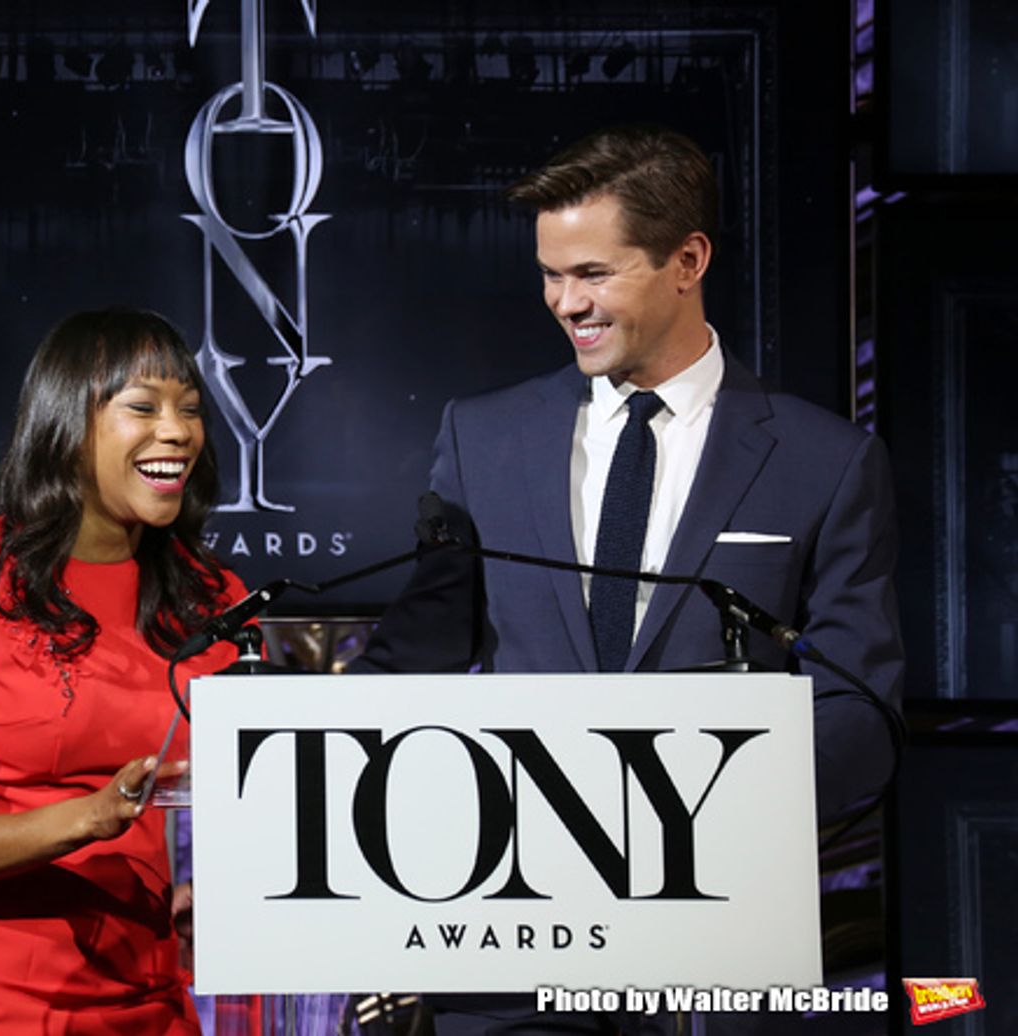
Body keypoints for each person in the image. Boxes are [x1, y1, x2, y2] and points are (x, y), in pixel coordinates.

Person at [352, 125, 904, 1034]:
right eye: (550, 275)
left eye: (594, 274)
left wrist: (695, 816)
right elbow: (420, 653)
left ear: (687, 261)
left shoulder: (827, 462)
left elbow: (859, 708)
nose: (566, 303)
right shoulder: (481, 439)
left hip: (717, 951)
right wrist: (265, 763)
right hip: (513, 949)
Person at [0, 308, 244, 1034]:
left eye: (189, 409)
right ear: (68, 424)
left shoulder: (213, 599)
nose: (178, 431)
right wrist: (94, 816)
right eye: (143, 406)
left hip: (151, 994)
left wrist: (211, 894)